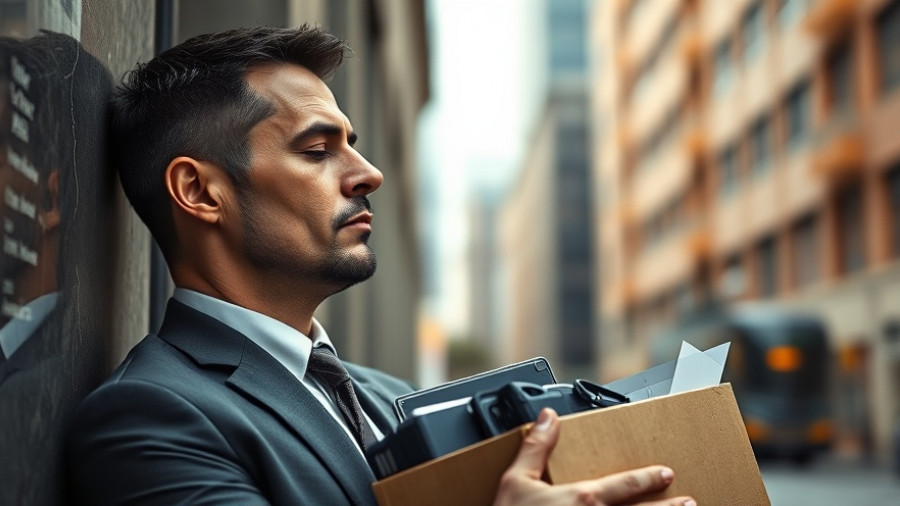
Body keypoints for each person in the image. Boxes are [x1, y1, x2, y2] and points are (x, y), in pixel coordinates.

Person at [65, 26, 696, 506]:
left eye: (353, 146)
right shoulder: (146, 418)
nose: (369, 175)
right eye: (317, 151)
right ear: (201, 193)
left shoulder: (394, 399)